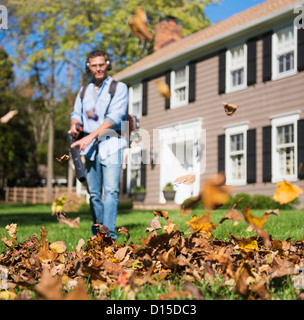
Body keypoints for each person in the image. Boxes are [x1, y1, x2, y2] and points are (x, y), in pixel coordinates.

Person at [69, 49, 128, 239]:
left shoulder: (119, 88)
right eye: (94, 65)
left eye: (101, 64)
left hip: (112, 143)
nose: (98, 69)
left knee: (111, 190)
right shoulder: (83, 91)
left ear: (108, 64)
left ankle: (109, 234)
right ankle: (98, 232)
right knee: (94, 194)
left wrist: (90, 137)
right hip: (91, 149)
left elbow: (115, 117)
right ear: (89, 67)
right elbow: (76, 114)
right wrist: (74, 125)